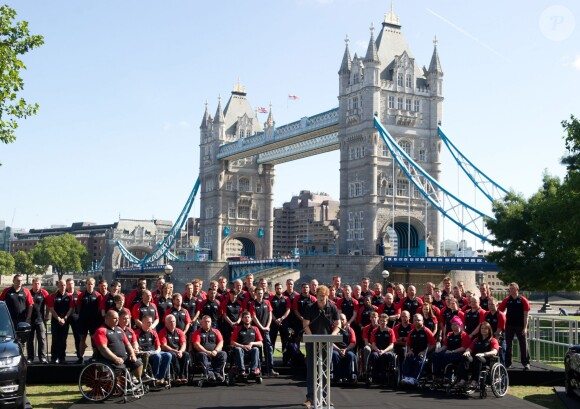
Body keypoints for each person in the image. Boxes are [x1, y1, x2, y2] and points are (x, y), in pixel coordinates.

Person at [302, 285, 340, 409]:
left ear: (327, 296)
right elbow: (305, 324)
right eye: (319, 296)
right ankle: (310, 398)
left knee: (325, 370)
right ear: (316, 296)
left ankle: (324, 398)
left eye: (324, 296)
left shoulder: (332, 307)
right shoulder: (310, 307)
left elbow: (338, 323)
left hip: (326, 342)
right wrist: (312, 337)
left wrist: (333, 335)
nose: (321, 298)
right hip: (312, 342)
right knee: (311, 370)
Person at [93, 310, 143, 383]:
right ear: (107, 318)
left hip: (123, 358)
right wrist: (115, 358)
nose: (117, 320)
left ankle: (135, 381)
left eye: (118, 318)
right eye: (114, 318)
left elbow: (128, 344)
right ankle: (118, 384)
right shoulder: (101, 331)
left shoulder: (119, 330)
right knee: (121, 367)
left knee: (138, 364)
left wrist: (132, 354)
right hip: (110, 360)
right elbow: (103, 348)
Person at [456, 321, 499, 388]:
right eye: (482, 328)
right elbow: (469, 349)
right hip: (475, 358)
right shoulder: (476, 340)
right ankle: (463, 379)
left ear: (489, 330)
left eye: (485, 328)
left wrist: (483, 354)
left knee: (477, 358)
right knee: (465, 356)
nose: (483, 330)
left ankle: (475, 381)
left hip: (486, 360)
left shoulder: (493, 340)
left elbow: (494, 351)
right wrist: (467, 351)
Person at [498, 282, 530, 370]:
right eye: (510, 289)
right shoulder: (507, 300)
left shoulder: (523, 300)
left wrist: (525, 327)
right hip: (509, 325)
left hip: (520, 326)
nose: (511, 290)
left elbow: (526, 315)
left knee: (523, 345)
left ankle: (526, 363)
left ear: (517, 289)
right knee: (508, 345)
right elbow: (500, 310)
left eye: (513, 288)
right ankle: (508, 363)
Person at [431, 316, 470, 384]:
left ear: (460, 325)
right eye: (452, 325)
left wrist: (452, 351)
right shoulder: (449, 334)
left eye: (455, 325)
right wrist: (439, 350)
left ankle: (447, 376)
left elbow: (463, 348)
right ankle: (437, 376)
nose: (453, 326)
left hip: (458, 353)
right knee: (435, 355)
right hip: (448, 352)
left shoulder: (464, 335)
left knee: (446, 356)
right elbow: (445, 346)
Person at [135, 314, 172, 386]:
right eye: (148, 322)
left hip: (154, 352)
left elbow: (158, 347)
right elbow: (136, 347)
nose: (150, 324)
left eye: (151, 322)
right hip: (144, 353)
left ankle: (160, 377)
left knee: (168, 355)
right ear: (142, 322)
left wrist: (157, 351)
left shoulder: (154, 333)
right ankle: (154, 378)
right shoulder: (136, 333)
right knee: (158, 357)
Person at [400, 314, 436, 385]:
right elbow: (408, 344)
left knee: (419, 361)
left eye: (418, 320)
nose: (416, 322)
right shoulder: (411, 332)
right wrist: (409, 350)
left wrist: (424, 352)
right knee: (407, 359)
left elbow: (433, 344)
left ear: (422, 321)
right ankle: (407, 377)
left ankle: (414, 378)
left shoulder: (427, 331)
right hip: (414, 352)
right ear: (412, 321)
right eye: (415, 320)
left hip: (425, 353)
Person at [249, 287, 278, 376]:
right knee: (257, 349)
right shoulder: (252, 304)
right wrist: (261, 327)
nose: (260, 295)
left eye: (261, 293)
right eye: (258, 293)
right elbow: (253, 317)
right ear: (255, 294)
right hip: (257, 330)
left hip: (266, 330)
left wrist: (267, 326)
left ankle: (270, 369)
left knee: (268, 349)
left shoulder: (267, 302)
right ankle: (258, 369)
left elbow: (270, 315)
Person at [191, 315, 227, 382]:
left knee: (223, 353)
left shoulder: (216, 331)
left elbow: (221, 342)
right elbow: (196, 345)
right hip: (202, 353)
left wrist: (216, 351)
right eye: (205, 322)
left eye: (208, 322)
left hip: (214, 352)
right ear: (201, 323)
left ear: (211, 323)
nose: (207, 323)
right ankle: (210, 374)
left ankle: (217, 373)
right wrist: (206, 352)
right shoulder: (197, 332)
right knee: (202, 355)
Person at [46, 279, 73, 364]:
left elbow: (70, 309)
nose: (63, 287)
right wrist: (58, 319)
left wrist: (64, 318)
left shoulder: (69, 296)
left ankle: (62, 357)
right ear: (57, 286)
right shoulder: (52, 296)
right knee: (55, 340)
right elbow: (51, 309)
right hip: (55, 321)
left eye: (64, 285)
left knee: (63, 340)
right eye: (61, 285)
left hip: (65, 321)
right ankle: (54, 358)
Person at [230, 311, 263, 378]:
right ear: (242, 319)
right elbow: (232, 342)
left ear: (251, 319)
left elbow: (260, 343)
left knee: (256, 349)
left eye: (248, 317)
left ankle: (253, 370)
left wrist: (252, 343)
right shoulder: (238, 329)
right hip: (241, 348)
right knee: (238, 349)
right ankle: (241, 370)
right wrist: (242, 346)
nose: (247, 319)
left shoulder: (255, 329)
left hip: (251, 349)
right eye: (245, 317)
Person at [159, 314, 190, 384]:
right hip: (169, 351)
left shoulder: (180, 332)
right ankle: (176, 376)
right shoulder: (162, 332)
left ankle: (183, 376)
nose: (172, 323)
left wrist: (181, 351)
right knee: (172, 354)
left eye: (174, 321)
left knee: (186, 354)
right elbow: (164, 346)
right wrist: (175, 351)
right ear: (166, 323)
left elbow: (183, 344)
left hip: (179, 351)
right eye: (170, 322)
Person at [76, 277, 102, 359]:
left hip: (94, 321)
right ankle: (81, 357)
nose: (90, 285)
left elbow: (99, 308)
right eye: (88, 284)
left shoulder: (98, 295)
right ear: (86, 284)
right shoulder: (81, 295)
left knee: (94, 339)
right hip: (83, 320)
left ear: (94, 285)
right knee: (82, 339)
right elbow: (78, 307)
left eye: (91, 284)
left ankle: (95, 356)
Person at [369, 313, 396, 385]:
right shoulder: (375, 331)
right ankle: (375, 377)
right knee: (374, 355)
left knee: (385, 356)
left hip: (387, 351)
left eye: (384, 321)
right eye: (381, 320)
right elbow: (373, 344)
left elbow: (392, 345)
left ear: (387, 322)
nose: (382, 322)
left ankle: (384, 378)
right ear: (378, 321)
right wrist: (378, 350)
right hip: (377, 350)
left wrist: (383, 351)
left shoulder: (390, 331)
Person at [27, 277, 49, 364]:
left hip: (40, 320)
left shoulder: (44, 293)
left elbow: (48, 305)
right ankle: (30, 358)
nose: (37, 285)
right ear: (32, 284)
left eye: (38, 283)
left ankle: (42, 357)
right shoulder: (28, 292)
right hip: (30, 320)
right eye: (35, 283)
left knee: (42, 340)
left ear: (40, 284)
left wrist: (47, 315)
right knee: (30, 340)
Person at [331, 313, 357, 383]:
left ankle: (347, 376)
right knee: (334, 354)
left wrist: (345, 350)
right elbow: (330, 342)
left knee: (350, 355)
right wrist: (339, 350)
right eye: (339, 319)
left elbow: (353, 342)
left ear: (346, 320)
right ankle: (337, 376)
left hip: (347, 349)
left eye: (343, 319)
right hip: (336, 349)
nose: (341, 321)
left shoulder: (350, 330)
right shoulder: (333, 330)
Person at [270, 282, 291, 359]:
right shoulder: (271, 298)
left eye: (280, 288)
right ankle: (270, 361)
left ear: (282, 289)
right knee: (272, 342)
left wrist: (281, 318)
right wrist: (275, 319)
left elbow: (288, 310)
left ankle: (285, 360)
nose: (279, 290)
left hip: (284, 322)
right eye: (277, 288)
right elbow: (270, 311)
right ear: (275, 289)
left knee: (285, 342)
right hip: (273, 323)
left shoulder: (286, 299)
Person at [484, 297, 506, 364]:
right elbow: (484, 327)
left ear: (497, 305)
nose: (490, 306)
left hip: (499, 339)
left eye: (492, 304)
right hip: (488, 338)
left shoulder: (500, 315)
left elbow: (498, 332)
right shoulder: (486, 314)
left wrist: (495, 343)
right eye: (489, 304)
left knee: (500, 357)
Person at [66, 278, 83, 363]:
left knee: (78, 338)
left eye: (71, 284)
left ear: (74, 284)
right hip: (65, 319)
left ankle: (80, 356)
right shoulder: (63, 294)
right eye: (68, 284)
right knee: (62, 338)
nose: (70, 285)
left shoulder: (79, 294)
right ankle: (61, 356)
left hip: (76, 319)